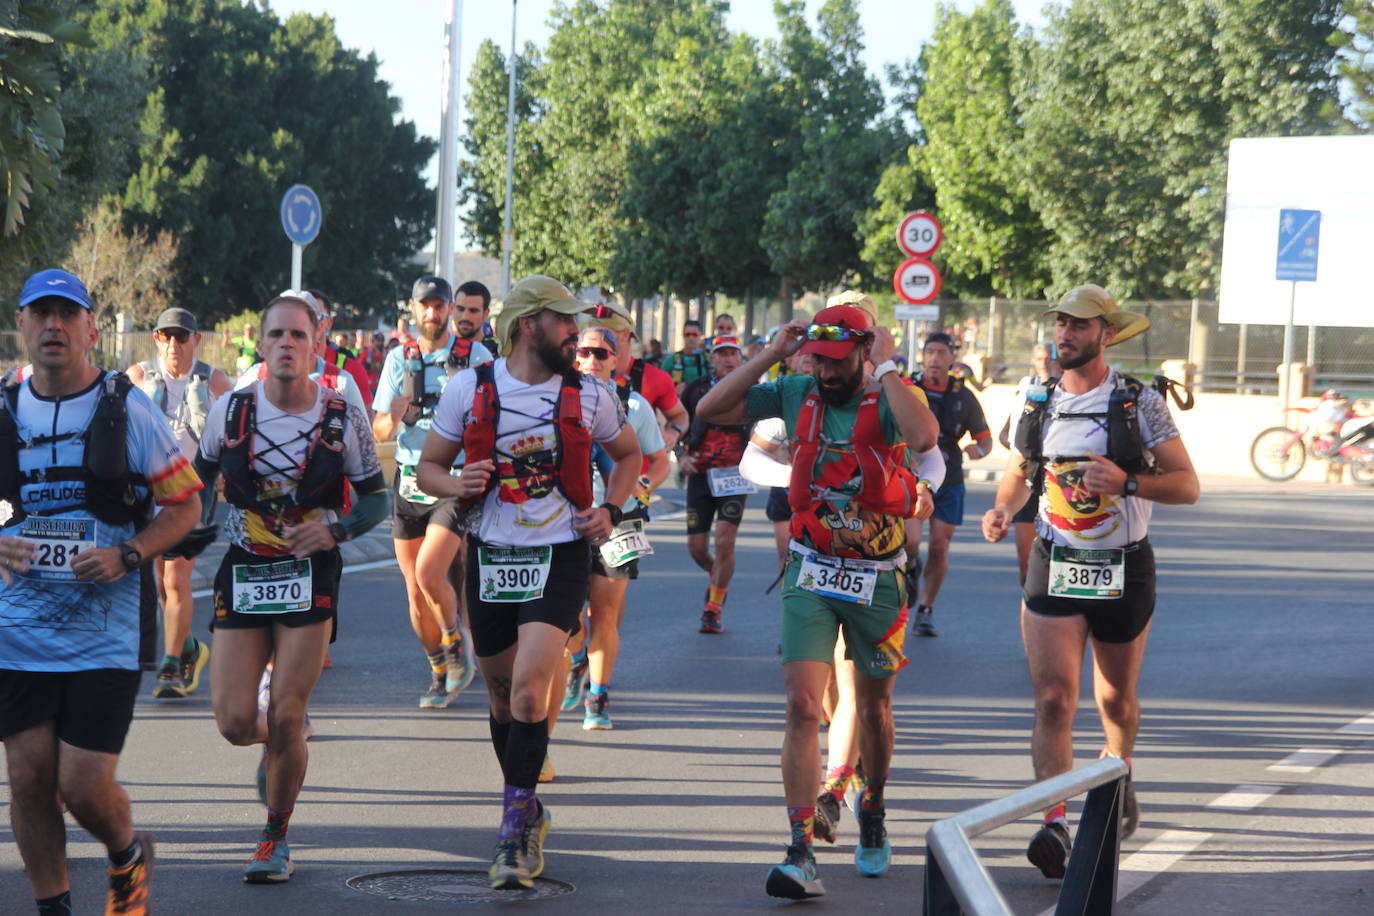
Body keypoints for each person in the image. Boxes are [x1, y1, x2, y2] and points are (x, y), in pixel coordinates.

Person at [694, 303, 938, 899]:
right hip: (811, 570)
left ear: (862, 351)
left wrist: (883, 371)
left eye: (837, 361)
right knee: (803, 705)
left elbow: (925, 437)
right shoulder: (797, 388)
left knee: (875, 709)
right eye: (818, 360)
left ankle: (872, 805)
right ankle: (800, 847)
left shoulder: (889, 393)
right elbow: (709, 410)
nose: (825, 372)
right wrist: (774, 353)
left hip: (878, 576)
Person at [416, 275, 640, 891]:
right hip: (490, 556)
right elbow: (431, 467)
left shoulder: (590, 394)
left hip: (561, 555)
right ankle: (530, 808)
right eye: (563, 321)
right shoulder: (471, 388)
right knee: (498, 701)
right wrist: (455, 483)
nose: (575, 332)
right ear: (526, 326)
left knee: (527, 693)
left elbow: (628, 457)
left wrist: (612, 509)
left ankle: (512, 830)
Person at [0, 268, 203, 914]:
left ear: (90, 328)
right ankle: (53, 908)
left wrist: (128, 553)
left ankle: (125, 853)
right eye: (42, 314)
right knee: (29, 779)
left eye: (68, 314)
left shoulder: (127, 407)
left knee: (84, 787)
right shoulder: (2, 410)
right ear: (22, 325)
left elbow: (186, 507)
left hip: (104, 632)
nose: (54, 326)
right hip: (17, 630)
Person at [981, 285, 1199, 880]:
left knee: (1113, 699)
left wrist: (1128, 483)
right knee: (1054, 697)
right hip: (1056, 560)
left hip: (1123, 565)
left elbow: (1187, 485)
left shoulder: (1139, 402)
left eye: (1079, 326)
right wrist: (1003, 508)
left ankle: (1119, 765)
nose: (1065, 335)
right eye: (1060, 325)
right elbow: (1019, 469)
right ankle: (1053, 823)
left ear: (1106, 334)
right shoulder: (1035, 400)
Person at [195, 290, 388, 884]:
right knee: (233, 721)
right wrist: (189, 528)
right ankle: (282, 742)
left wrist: (336, 533)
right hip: (247, 567)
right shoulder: (229, 410)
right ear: (261, 344)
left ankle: (274, 837)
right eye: (275, 335)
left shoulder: (340, 412)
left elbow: (378, 498)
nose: (286, 345)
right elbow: (198, 479)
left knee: (284, 711)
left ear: (316, 346)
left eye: (297, 336)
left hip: (309, 574)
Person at [373, 275, 489, 708]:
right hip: (409, 478)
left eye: (440, 305)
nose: (433, 313)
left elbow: (488, 416)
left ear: (449, 309)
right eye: (425, 305)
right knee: (414, 588)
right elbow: (379, 429)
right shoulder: (397, 359)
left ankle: (457, 643)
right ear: (413, 308)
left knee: (428, 573)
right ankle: (440, 667)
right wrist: (396, 416)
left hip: (452, 479)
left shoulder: (473, 355)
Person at [552, 327, 670, 732]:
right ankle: (577, 656)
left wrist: (642, 485)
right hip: (567, 519)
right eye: (584, 351)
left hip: (621, 517)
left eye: (603, 353)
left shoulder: (634, 406)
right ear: (574, 356)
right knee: (567, 615)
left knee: (605, 612)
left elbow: (658, 461)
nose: (593, 359)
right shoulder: (556, 399)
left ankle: (598, 697)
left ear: (616, 360)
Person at [127, 307, 233, 699]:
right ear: (157, 339)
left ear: (195, 340)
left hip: (193, 491)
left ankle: (171, 668)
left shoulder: (212, 379)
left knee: (176, 579)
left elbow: (241, 425)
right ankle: (189, 649)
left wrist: (229, 471)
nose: (174, 344)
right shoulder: (137, 377)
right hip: (150, 492)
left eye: (182, 337)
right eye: (166, 336)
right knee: (160, 584)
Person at [907, 331, 993, 637]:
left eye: (941, 353)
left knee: (940, 547)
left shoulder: (963, 394)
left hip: (949, 478)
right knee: (911, 543)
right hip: (912, 477)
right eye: (929, 352)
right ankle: (909, 569)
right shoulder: (908, 387)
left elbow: (985, 440)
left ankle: (926, 610)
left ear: (953, 358)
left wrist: (978, 451)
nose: (934, 359)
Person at [679, 335, 752, 634]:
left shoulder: (752, 389)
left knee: (725, 540)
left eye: (733, 353)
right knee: (697, 548)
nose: (728, 359)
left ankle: (714, 607)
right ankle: (718, 575)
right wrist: (681, 455)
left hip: (735, 475)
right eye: (722, 354)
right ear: (712, 359)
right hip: (700, 475)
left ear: (741, 358)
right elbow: (675, 424)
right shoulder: (696, 389)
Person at [587, 301, 689, 452]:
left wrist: (672, 432)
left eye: (603, 333)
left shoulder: (654, 377)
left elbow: (680, 414)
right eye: (590, 333)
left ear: (625, 334)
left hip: (639, 473)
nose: (594, 340)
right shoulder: (581, 371)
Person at [997, 342, 1061, 584]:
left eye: (1049, 358)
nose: (1044, 363)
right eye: (1039, 359)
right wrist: (1026, 450)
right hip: (1029, 480)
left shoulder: (1072, 391)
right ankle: (1032, 608)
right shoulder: (1028, 391)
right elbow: (1007, 435)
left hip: (1060, 486)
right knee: (1028, 566)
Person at [307, 290, 374, 406]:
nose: (308, 322)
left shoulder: (351, 369)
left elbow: (367, 421)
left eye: (315, 316)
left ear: (328, 323)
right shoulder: (278, 367)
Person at [455, 280, 500, 359]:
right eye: (460, 309)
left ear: (485, 314)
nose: (465, 316)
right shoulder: (439, 353)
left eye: (473, 311)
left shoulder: (498, 358)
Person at [661, 319, 708, 392]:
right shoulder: (671, 360)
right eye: (687, 334)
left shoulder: (708, 360)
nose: (691, 338)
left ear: (700, 336)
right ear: (683, 335)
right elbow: (659, 385)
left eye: (695, 334)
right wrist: (673, 391)